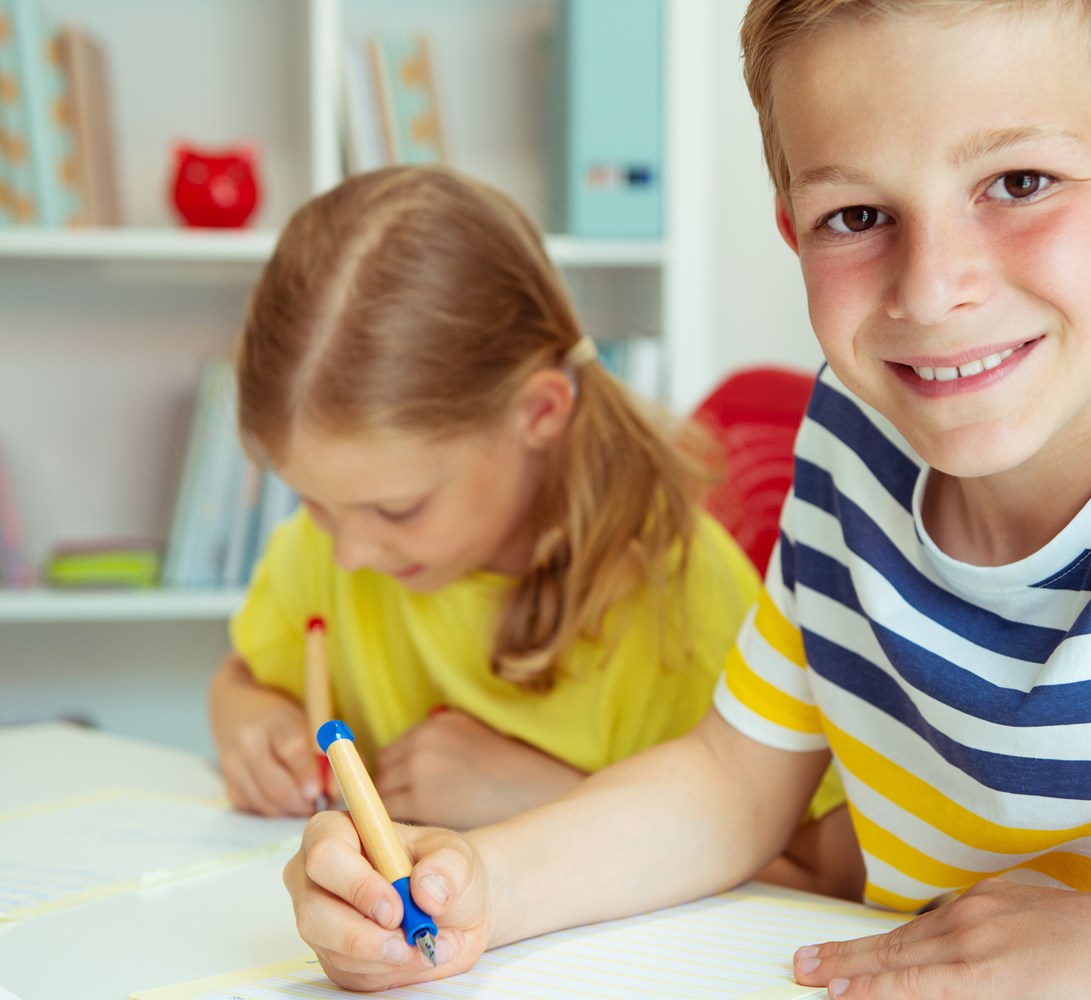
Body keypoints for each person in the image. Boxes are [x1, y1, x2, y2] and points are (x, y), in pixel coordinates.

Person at [282, 2, 1091, 995]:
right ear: (791, 227)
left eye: (1018, 181)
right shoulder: (855, 441)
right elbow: (729, 778)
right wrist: (478, 883)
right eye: (856, 216)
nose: (932, 286)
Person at [207, 164, 856, 894]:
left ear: (540, 414)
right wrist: (255, 726)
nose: (351, 552)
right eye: (315, 503)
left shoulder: (680, 600)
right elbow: (242, 678)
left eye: (399, 510)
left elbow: (827, 874)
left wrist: (549, 799)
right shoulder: (326, 543)